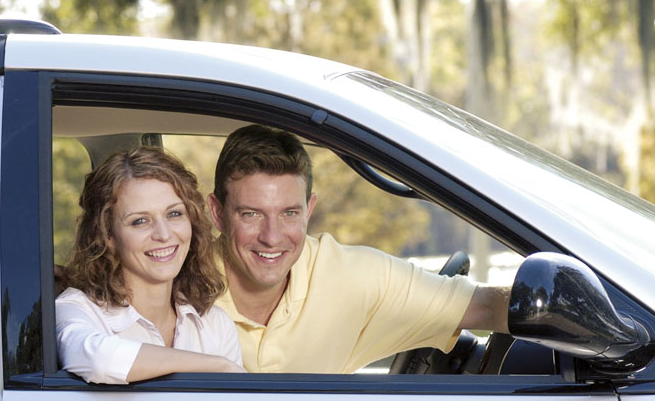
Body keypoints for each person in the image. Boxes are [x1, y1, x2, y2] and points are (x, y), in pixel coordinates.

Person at [207, 124, 511, 374]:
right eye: (251, 214)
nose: (272, 237)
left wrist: (539, 298)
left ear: (308, 210)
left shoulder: (348, 276)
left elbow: (484, 305)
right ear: (218, 213)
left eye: (289, 213)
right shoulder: (184, 283)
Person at [56, 147, 244, 384]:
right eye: (140, 221)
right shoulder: (75, 309)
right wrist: (218, 365)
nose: (164, 234)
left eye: (174, 214)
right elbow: (99, 362)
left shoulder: (214, 323)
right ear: (107, 235)